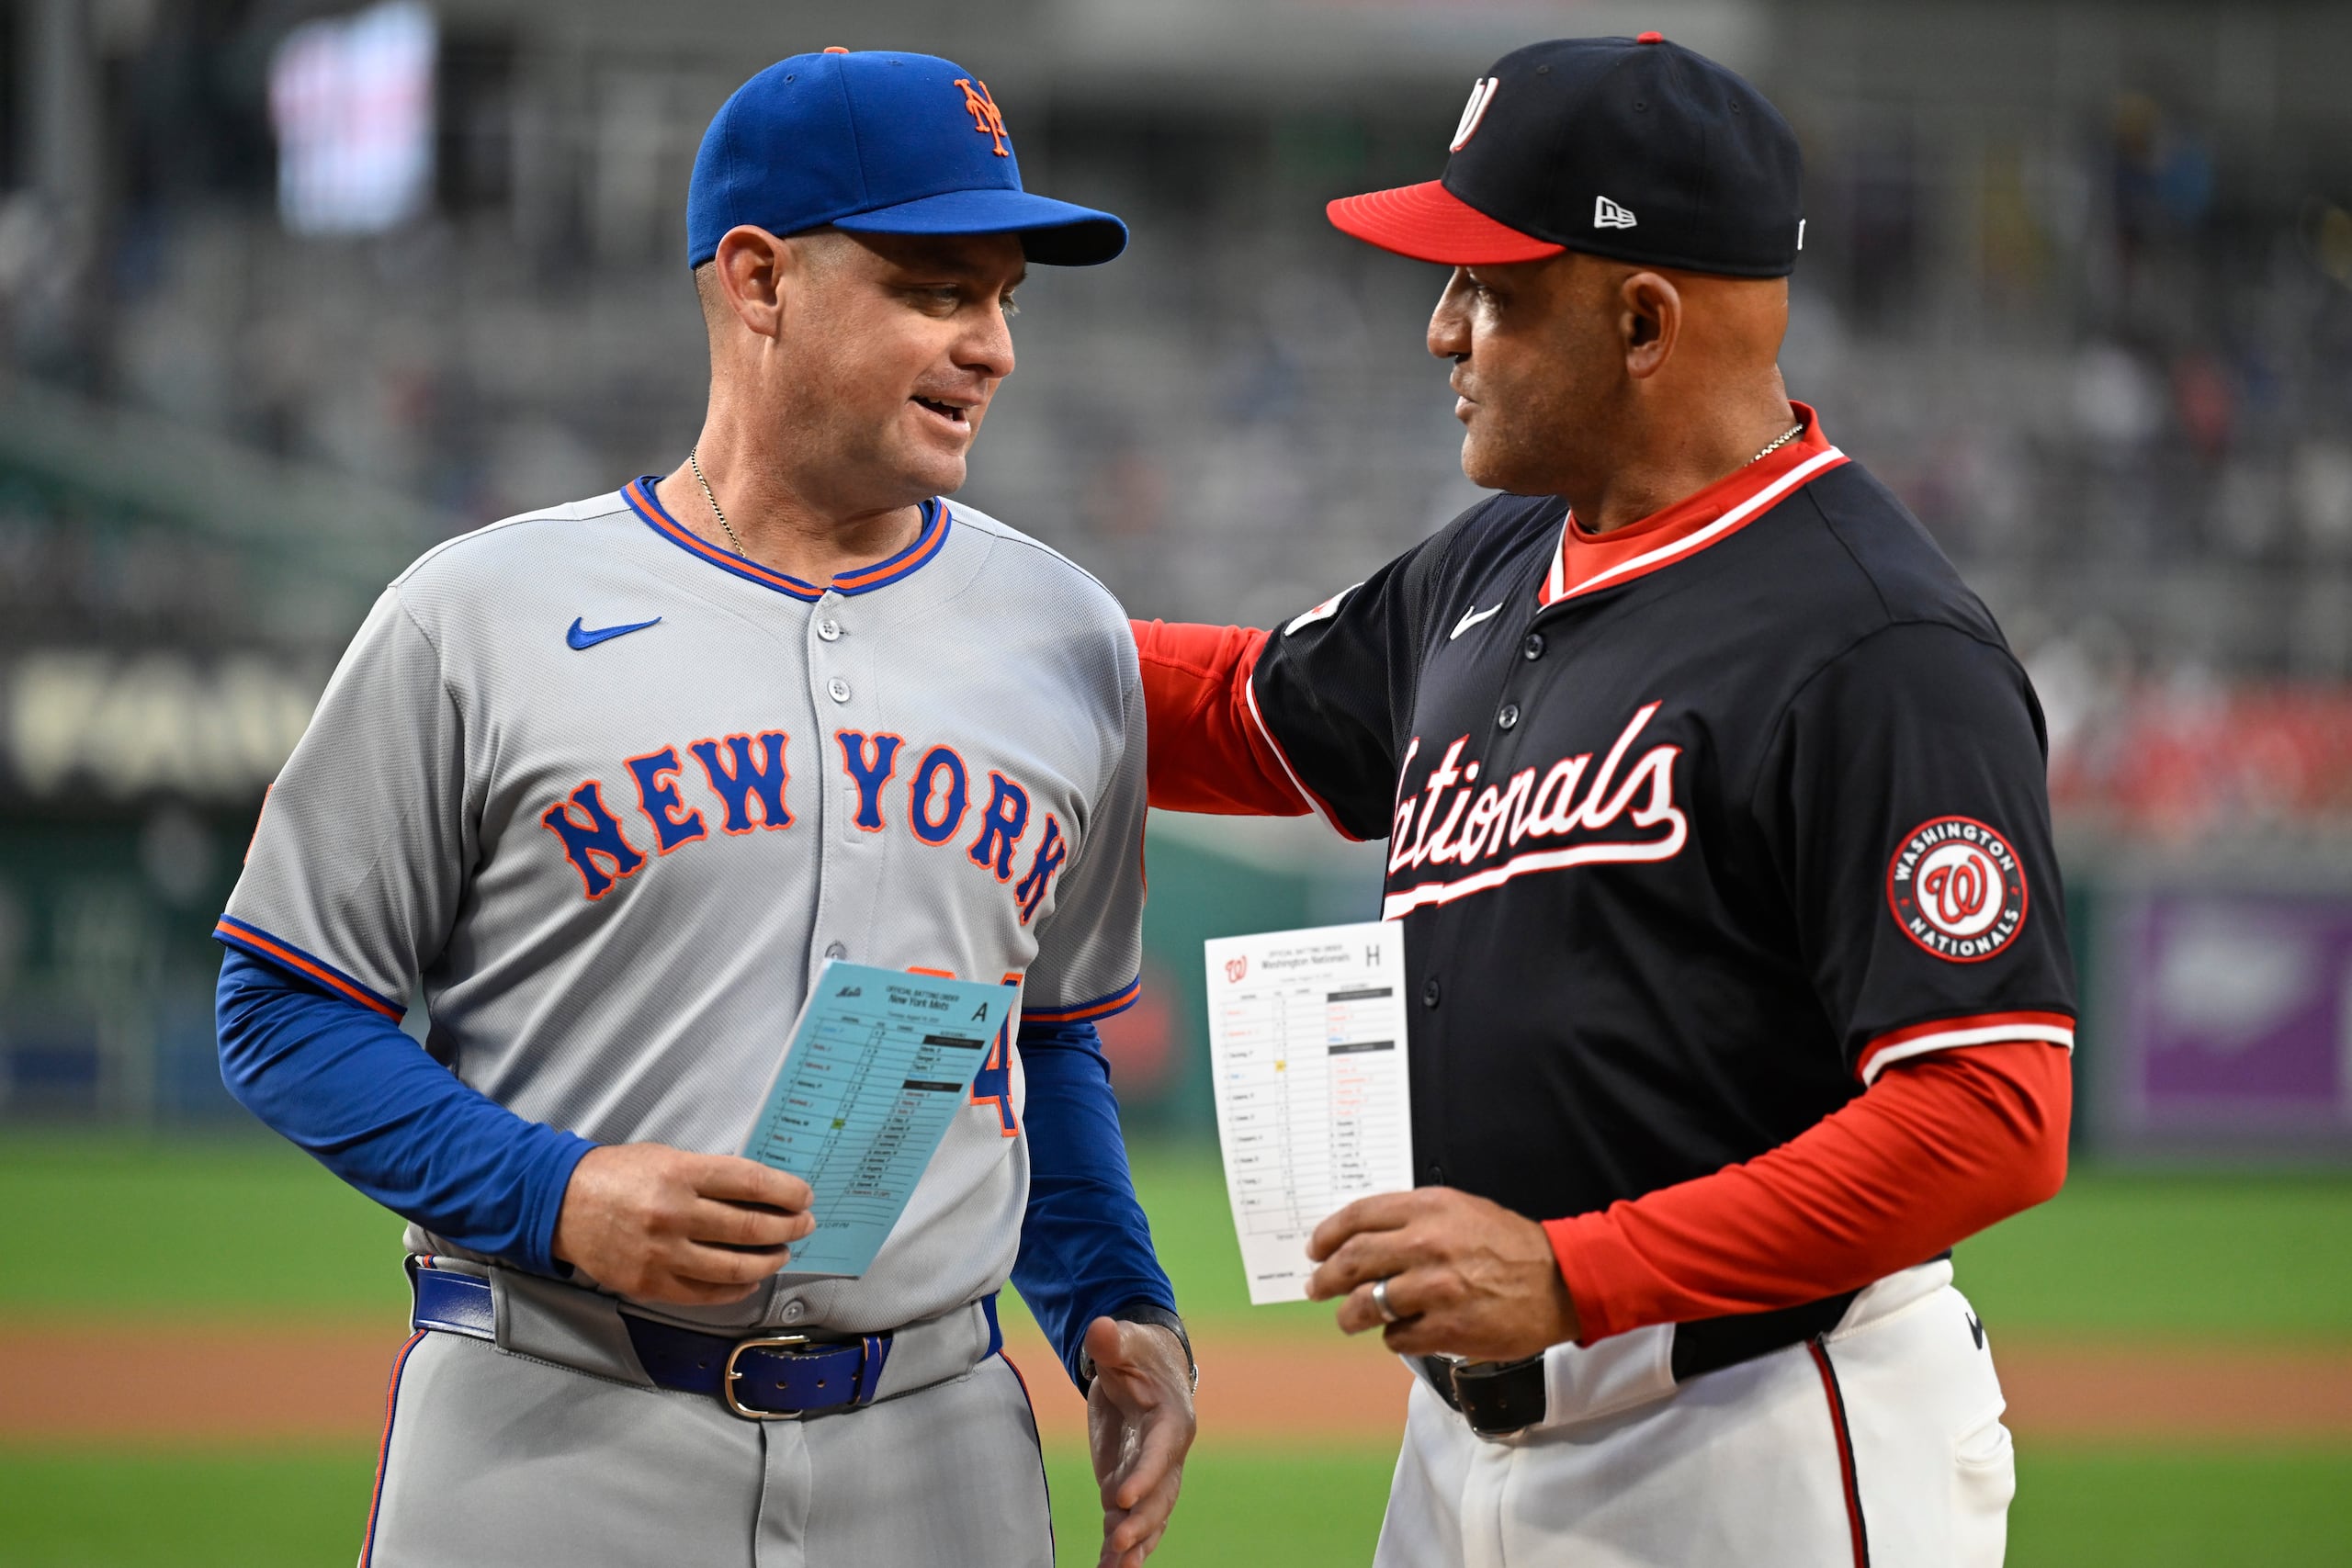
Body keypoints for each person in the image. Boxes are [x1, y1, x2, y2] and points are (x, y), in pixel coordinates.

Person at [214, 48, 1194, 1568]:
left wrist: (1115, 1297)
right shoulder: (479, 613)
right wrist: (554, 1193)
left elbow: (1048, 1034)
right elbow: (279, 1006)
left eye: (1008, 298)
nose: (993, 346)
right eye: (939, 289)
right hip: (548, 1420)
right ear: (759, 281)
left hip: (938, 1444)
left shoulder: (1068, 633)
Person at [1134, 34, 2071, 1567]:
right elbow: (1240, 712)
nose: (1443, 332)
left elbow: (1991, 1114)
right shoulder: (1497, 560)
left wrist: (1581, 1273)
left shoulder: (1876, 641)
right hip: (1462, 1438)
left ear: (1642, 319)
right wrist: (954, 632)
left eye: (1490, 292)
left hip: (1755, 1431)